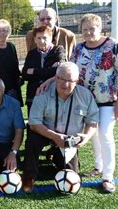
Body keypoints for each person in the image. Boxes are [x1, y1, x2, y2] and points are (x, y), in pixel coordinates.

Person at [71, 14, 118, 193]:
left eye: (92, 29)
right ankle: (98, 167)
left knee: (104, 134)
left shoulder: (112, 45)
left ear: (100, 28)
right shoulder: (78, 48)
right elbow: (72, 70)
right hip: (86, 101)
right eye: (85, 29)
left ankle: (108, 177)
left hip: (108, 101)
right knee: (93, 135)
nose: (89, 32)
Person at [22, 62, 98, 193]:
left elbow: (93, 121)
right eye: (62, 79)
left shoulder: (85, 95)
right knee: (32, 140)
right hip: (45, 132)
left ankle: (56, 155)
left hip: (69, 138)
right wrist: (55, 137)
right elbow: (34, 124)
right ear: (56, 78)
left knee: (71, 175)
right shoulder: (42, 93)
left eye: (70, 81)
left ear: (77, 81)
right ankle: (29, 176)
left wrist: (86, 137)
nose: (65, 84)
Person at [22, 25, 65, 115]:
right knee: (33, 124)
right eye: (38, 38)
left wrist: (34, 71)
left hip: (52, 93)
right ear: (34, 39)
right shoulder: (31, 53)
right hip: (33, 95)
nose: (41, 41)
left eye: (45, 38)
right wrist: (48, 70)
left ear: (50, 38)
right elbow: (25, 74)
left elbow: (58, 71)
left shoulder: (58, 50)